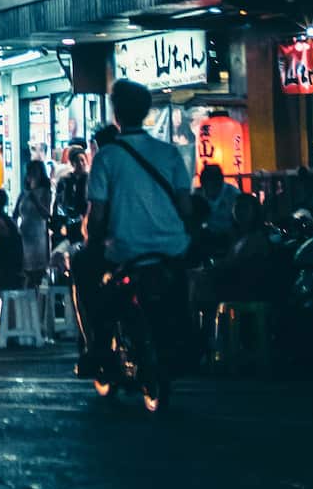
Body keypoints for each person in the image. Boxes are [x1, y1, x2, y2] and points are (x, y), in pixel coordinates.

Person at [72, 80, 192, 377]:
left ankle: (96, 346)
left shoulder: (106, 157)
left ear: (117, 114)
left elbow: (96, 216)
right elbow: (186, 209)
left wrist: (90, 239)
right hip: (172, 248)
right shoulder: (170, 153)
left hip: (125, 249)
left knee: (81, 265)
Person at [15, 159, 51, 285]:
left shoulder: (45, 192)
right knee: (25, 272)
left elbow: (46, 214)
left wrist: (35, 200)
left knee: (38, 272)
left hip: (38, 236)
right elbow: (15, 213)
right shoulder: (23, 194)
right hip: (24, 236)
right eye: (30, 172)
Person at [194, 162, 241, 258]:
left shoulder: (233, 195)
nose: (208, 190)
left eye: (212, 185)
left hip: (230, 236)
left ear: (219, 183)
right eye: (206, 186)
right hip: (207, 236)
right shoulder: (198, 194)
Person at [51, 145, 89, 241]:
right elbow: (59, 202)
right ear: (72, 163)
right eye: (77, 161)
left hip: (86, 222)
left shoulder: (90, 178)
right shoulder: (65, 180)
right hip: (69, 222)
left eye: (82, 160)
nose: (81, 164)